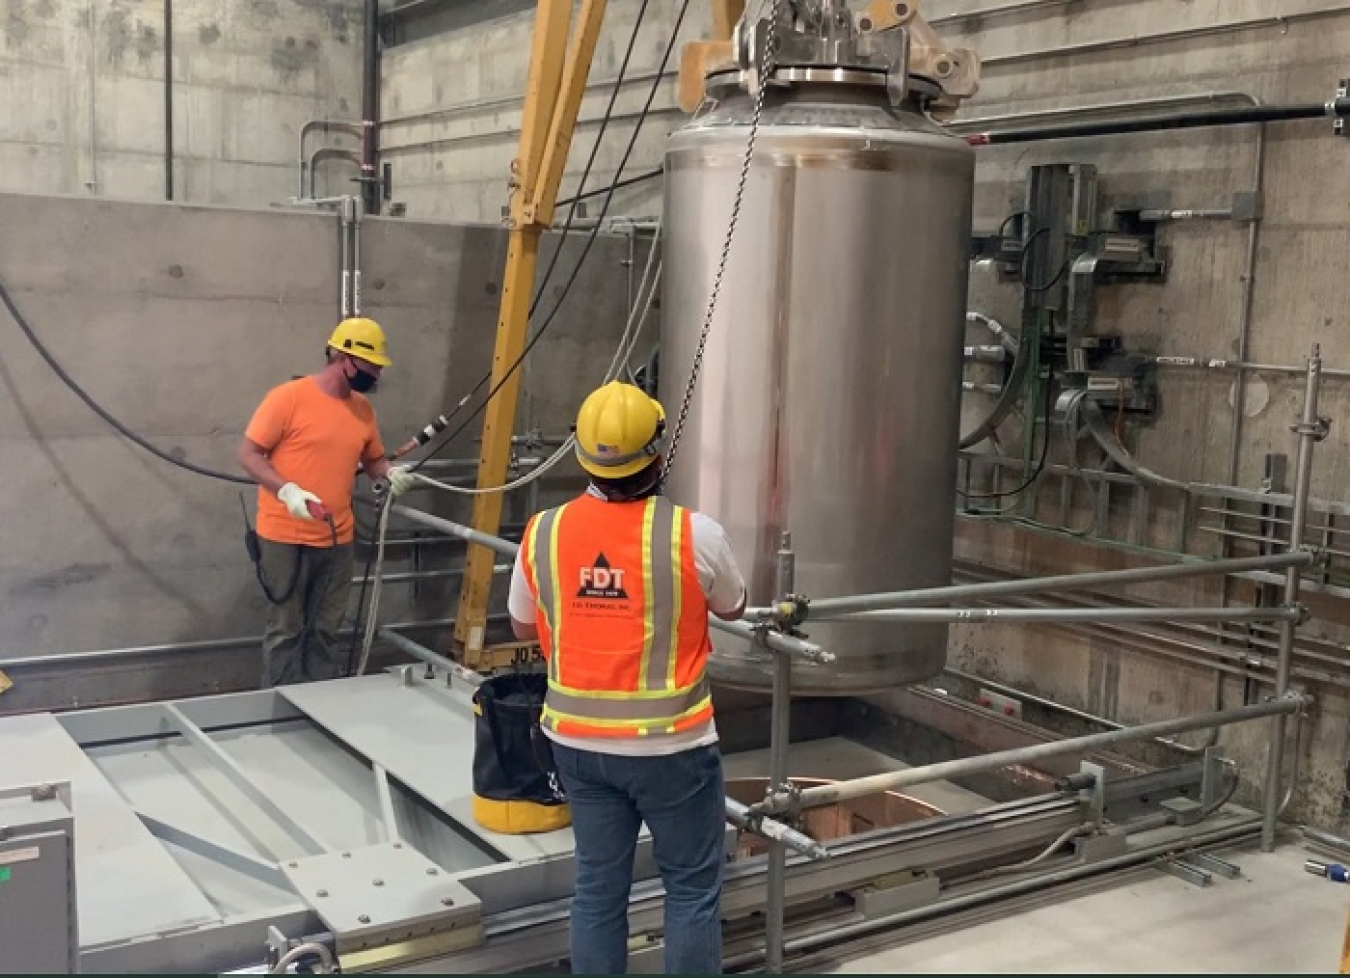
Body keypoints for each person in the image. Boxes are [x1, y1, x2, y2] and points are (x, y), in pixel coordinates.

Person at [508, 381, 748, 975]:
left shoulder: (544, 531)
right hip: (672, 749)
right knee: (690, 891)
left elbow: (518, 626)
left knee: (597, 890)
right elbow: (735, 606)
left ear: (584, 456)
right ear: (658, 453)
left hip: (578, 747)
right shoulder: (693, 533)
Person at [238, 317, 415, 687]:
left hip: (337, 539)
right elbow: (250, 454)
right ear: (342, 357)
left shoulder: (362, 410)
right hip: (284, 536)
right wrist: (287, 491)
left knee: (325, 629)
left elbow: (372, 459)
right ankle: (282, 707)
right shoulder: (288, 399)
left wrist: (389, 472)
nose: (375, 376)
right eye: (370, 367)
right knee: (286, 627)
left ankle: (320, 704)